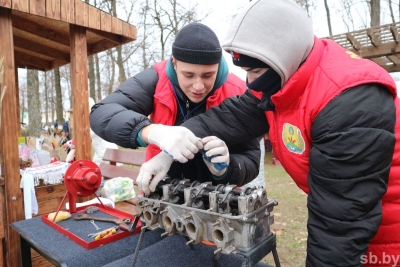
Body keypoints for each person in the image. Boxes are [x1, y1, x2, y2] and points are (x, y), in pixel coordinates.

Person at [138, 1, 400, 266]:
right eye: (246, 71)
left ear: (284, 56)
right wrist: (169, 149)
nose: (250, 82)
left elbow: (340, 224)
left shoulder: (349, 100)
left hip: (386, 234)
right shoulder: (284, 81)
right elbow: (229, 117)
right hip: (358, 218)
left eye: (257, 71)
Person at [90, 22, 262, 195]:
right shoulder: (156, 79)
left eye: (207, 75)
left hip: (217, 201)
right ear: (174, 63)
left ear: (218, 66)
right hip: (160, 191)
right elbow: (102, 112)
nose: (198, 86)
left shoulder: (238, 91)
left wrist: (227, 168)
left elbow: (251, 158)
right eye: (189, 75)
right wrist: (153, 132)